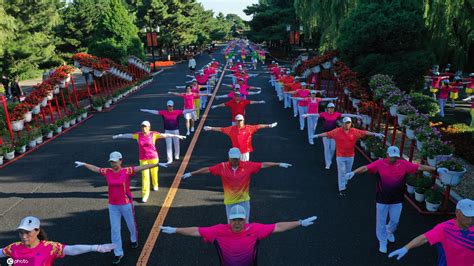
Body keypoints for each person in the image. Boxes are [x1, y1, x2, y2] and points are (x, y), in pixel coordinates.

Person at [74, 151, 166, 264]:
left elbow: (141, 167)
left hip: (126, 204)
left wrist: (155, 164)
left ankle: (134, 239)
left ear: (121, 160)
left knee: (131, 225)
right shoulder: (107, 172)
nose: (113, 164)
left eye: (115, 161)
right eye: (111, 162)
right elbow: (96, 168)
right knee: (115, 230)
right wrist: (84, 164)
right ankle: (118, 253)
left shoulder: (127, 171)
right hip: (113, 205)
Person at [344, 146, 436, 253]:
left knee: (395, 221)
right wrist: (353, 172)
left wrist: (435, 169)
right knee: (381, 222)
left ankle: (389, 231)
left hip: (397, 200)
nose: (394, 159)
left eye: (396, 157)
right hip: (382, 199)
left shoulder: (404, 164)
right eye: (392, 157)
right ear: (387, 155)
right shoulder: (379, 163)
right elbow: (366, 168)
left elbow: (419, 167)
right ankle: (382, 241)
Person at [160, 205, 317, 266]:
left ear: (245, 220)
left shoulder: (255, 229)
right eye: (234, 220)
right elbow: (196, 230)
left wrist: (300, 222)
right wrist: (175, 229)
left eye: (240, 220)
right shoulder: (218, 231)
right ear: (229, 220)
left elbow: (278, 227)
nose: (237, 223)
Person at [181, 148, 292, 222]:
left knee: (245, 224)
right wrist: (191, 173)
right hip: (229, 202)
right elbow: (207, 170)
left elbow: (263, 165)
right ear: (229, 158)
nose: (235, 161)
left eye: (237, 159)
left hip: (244, 201)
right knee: (231, 225)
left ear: (239, 157)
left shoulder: (247, 165)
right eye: (233, 159)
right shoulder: (222, 167)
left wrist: (278, 164)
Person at [111, 120, 185, 201]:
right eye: (142, 126)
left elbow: (165, 135)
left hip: (154, 157)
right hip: (143, 159)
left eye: (145, 126)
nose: (144, 128)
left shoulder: (154, 134)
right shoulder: (138, 135)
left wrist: (176, 136)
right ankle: (145, 194)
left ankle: (155, 184)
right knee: (145, 176)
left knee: (154, 173)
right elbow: (128, 135)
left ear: (149, 127)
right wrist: (119, 135)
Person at [388, 199, 474, 265]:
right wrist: (406, 248)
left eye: (473, 216)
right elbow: (424, 238)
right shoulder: (444, 228)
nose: (470, 220)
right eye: (467, 216)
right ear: (457, 212)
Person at [0, 216, 115, 265]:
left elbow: (72, 249)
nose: (24, 236)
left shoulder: (50, 247)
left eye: (28, 232)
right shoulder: (13, 247)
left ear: (37, 231)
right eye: (21, 232)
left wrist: (96, 247)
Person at [313, 117, 384, 196]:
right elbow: (327, 134)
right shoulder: (337, 131)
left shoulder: (354, 131)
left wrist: (375, 134)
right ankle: (342, 188)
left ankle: (344, 182)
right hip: (340, 156)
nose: (347, 125)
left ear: (350, 123)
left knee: (348, 171)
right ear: (342, 123)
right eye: (346, 123)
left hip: (350, 156)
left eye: (348, 123)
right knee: (341, 172)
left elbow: (365, 132)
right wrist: (317, 135)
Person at [304, 103, 360, 169]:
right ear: (327, 108)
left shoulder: (336, 114)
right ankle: (328, 163)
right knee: (327, 148)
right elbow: (316, 114)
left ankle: (329, 160)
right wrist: (307, 114)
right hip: (325, 133)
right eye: (330, 108)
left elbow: (345, 115)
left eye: (332, 108)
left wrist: (355, 116)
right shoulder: (324, 114)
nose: (331, 109)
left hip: (334, 134)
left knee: (333, 148)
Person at [203, 114, 278, 161]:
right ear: (235, 121)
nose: (239, 122)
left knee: (244, 166)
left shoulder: (249, 128)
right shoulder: (231, 129)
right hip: (235, 152)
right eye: (237, 121)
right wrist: (211, 128)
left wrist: (269, 125)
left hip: (245, 152)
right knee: (235, 167)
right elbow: (221, 129)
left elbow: (259, 126)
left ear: (243, 120)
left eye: (240, 120)